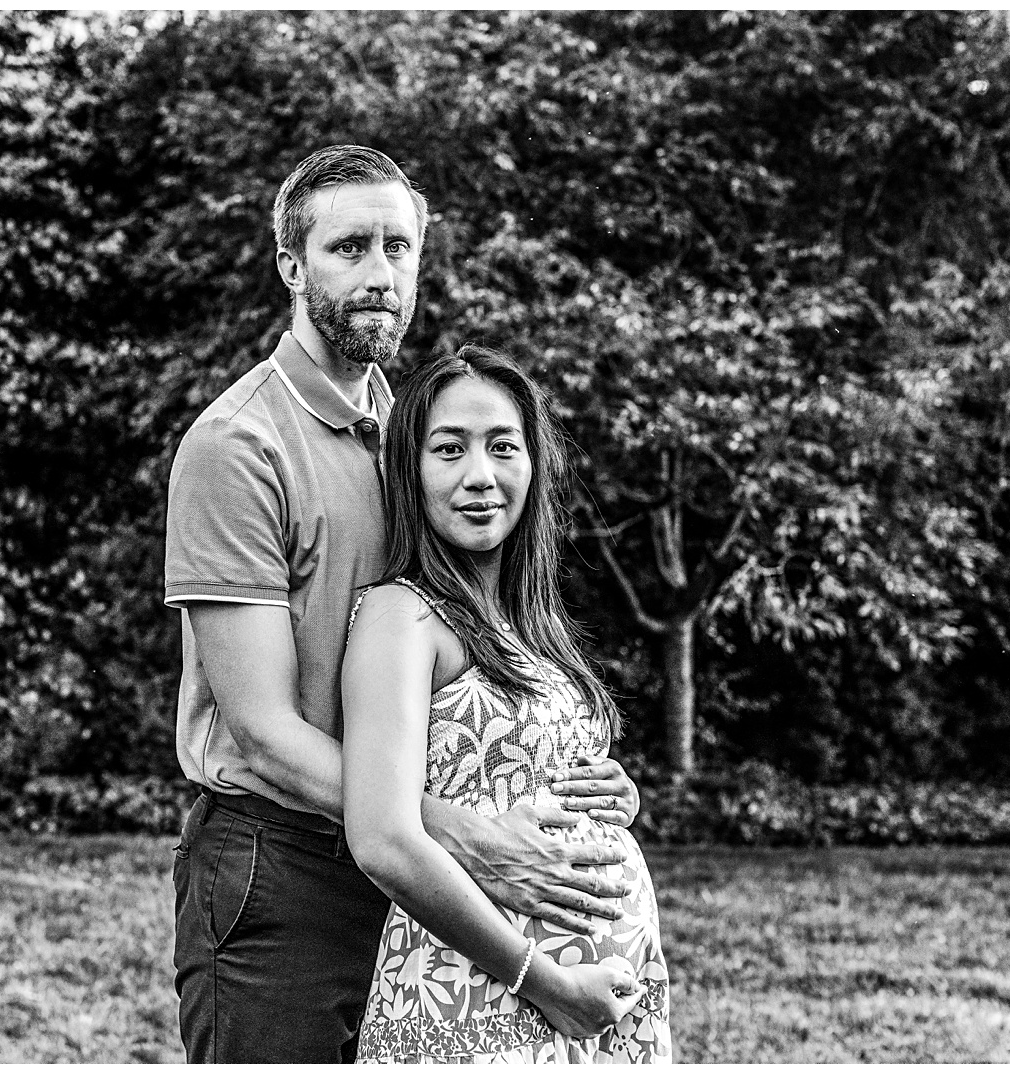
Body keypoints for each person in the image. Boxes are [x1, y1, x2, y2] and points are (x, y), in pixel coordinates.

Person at [163, 145, 646, 1063]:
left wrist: (568, 783)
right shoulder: (238, 445)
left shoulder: (414, 435)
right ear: (292, 266)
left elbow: (461, 655)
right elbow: (263, 729)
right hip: (284, 868)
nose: (381, 274)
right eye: (350, 248)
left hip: (413, 875)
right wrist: (455, 832)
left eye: (400, 247)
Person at [342, 345, 673, 1063]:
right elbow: (383, 841)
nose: (480, 476)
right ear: (410, 471)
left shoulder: (526, 619)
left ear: (533, 463)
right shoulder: (403, 616)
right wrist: (545, 980)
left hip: (586, 1008)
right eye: (449, 449)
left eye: (502, 447)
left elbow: (514, 769)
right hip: (480, 997)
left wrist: (613, 800)